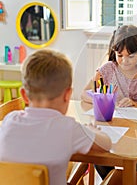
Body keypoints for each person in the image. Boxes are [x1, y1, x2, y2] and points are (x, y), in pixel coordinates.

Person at [0, 49, 112, 185]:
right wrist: (94, 131)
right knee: (113, 176)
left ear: (24, 95)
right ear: (67, 94)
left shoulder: (9, 120)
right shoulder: (68, 127)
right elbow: (106, 144)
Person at [81, 25, 137, 179]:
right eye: (120, 55)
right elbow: (84, 93)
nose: (124, 61)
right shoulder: (107, 69)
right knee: (101, 158)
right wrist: (102, 98)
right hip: (111, 130)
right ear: (114, 51)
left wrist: (135, 104)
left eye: (130, 56)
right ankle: (111, 180)